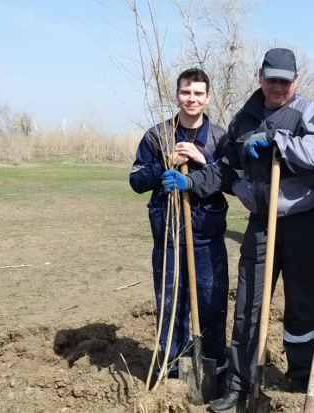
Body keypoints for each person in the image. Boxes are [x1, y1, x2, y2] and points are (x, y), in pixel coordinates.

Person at [162, 48, 314, 412]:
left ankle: (300, 376)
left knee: (302, 304)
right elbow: (227, 167)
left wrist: (277, 142)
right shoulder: (244, 118)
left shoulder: (306, 110)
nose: (277, 86)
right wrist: (192, 182)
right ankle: (239, 385)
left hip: (303, 220)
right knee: (248, 306)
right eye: (271, 78)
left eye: (285, 81)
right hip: (262, 224)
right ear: (260, 76)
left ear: (295, 81)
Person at [129, 68, 230, 384]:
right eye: (186, 92)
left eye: (199, 93)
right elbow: (136, 181)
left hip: (207, 239)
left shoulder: (219, 138)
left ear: (208, 97)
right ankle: (171, 371)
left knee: (212, 306)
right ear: (177, 94)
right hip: (169, 238)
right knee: (171, 305)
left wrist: (203, 161)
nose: (192, 99)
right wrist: (164, 164)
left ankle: (212, 371)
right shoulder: (157, 136)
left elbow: (233, 179)